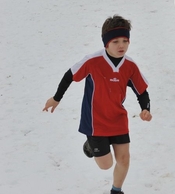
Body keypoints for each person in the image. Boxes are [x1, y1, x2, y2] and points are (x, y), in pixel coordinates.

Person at [42, 15, 152, 194]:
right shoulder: (93, 61)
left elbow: (142, 91)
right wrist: (56, 98)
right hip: (95, 122)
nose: (121, 45)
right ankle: (89, 145)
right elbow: (69, 75)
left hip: (118, 118)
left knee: (124, 159)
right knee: (106, 165)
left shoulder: (130, 65)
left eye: (125, 40)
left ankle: (116, 190)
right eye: (115, 41)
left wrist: (145, 109)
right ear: (106, 43)